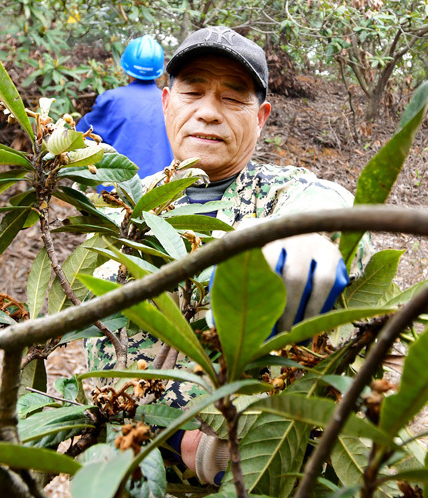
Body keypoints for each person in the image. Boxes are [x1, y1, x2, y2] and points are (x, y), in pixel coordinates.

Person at [85, 26, 370, 486]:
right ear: (165, 103)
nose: (207, 113)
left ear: (261, 117)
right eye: (193, 92)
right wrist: (184, 446)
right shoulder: (137, 207)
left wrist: (301, 240)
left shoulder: (280, 194)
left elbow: (326, 202)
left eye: (232, 99)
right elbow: (103, 346)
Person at [76, 35, 173, 179]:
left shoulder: (111, 100)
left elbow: (79, 136)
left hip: (117, 194)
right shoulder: (171, 102)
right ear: (159, 72)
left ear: (125, 67)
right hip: (163, 193)